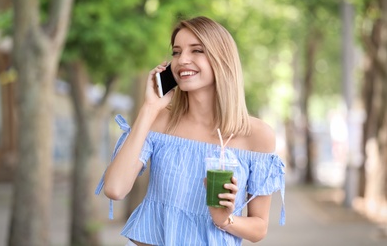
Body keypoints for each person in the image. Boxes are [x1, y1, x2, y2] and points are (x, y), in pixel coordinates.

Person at [95, 16, 285, 246]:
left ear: (221, 59)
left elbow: (259, 228)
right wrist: (150, 108)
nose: (182, 60)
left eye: (196, 50)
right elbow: (115, 189)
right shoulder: (159, 120)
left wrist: (225, 220)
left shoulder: (257, 135)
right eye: (176, 52)